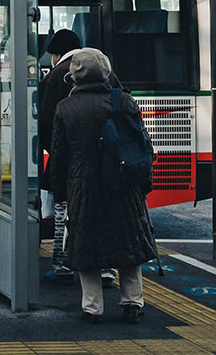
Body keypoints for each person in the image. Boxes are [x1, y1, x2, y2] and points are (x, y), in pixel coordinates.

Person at [48, 48, 158, 325]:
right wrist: (144, 184)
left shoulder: (66, 108)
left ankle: (92, 307)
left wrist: (60, 192)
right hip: (123, 183)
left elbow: (59, 155)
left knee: (86, 244)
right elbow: (143, 147)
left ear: (74, 77)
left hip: (83, 183)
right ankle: (133, 302)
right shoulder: (125, 102)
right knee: (128, 242)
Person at [39, 28, 83, 286]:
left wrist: (52, 150)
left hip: (65, 158)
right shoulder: (104, 72)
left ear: (56, 53)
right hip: (101, 160)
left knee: (63, 212)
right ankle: (106, 269)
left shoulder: (56, 75)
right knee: (99, 213)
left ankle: (62, 265)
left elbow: (45, 122)